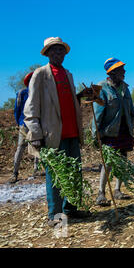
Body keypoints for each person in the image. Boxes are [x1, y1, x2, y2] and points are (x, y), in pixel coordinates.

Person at [24, 37, 92, 227]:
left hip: (71, 132)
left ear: (65, 53)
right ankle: (55, 214)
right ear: (47, 53)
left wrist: (80, 96)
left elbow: (67, 100)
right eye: (53, 50)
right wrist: (36, 134)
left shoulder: (67, 74)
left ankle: (71, 209)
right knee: (55, 176)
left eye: (60, 50)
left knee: (74, 173)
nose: (57, 53)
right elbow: (31, 109)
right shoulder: (40, 74)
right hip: (52, 135)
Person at [93, 58, 134, 206]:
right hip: (110, 132)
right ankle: (101, 193)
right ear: (111, 72)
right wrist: (96, 134)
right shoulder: (102, 88)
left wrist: (132, 126)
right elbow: (97, 114)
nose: (124, 72)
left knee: (122, 160)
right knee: (108, 162)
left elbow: (131, 109)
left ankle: (117, 190)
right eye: (120, 70)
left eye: (123, 69)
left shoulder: (125, 88)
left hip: (124, 130)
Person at [8, 72, 41, 184]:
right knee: (22, 147)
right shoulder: (22, 93)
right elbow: (17, 110)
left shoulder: (39, 93)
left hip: (34, 124)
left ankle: (35, 170)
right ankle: (15, 172)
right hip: (26, 124)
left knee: (36, 147)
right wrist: (19, 123)